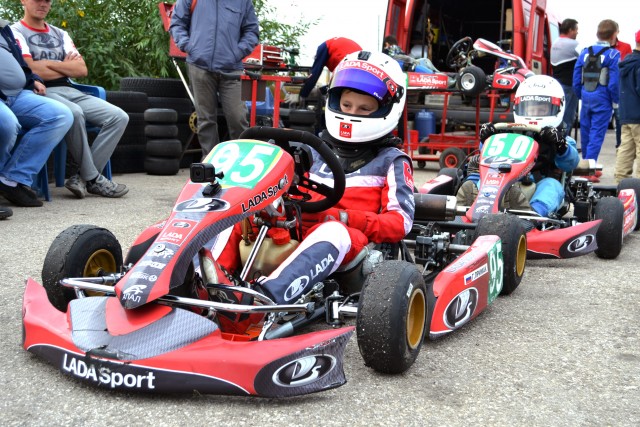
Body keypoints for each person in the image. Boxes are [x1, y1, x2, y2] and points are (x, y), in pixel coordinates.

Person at [214, 51, 415, 304]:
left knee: (333, 231)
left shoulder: (391, 161)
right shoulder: (312, 150)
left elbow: (400, 223)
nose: (352, 113)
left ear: (387, 109)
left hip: (347, 240)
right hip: (294, 228)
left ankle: (262, 300)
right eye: (346, 105)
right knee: (235, 213)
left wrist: (343, 217)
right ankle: (208, 283)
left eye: (364, 108)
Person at [12, 0, 129, 199]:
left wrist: (46, 64)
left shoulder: (60, 34)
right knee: (74, 113)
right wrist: (62, 65)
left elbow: (81, 70)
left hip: (70, 89)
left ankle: (82, 178)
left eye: (47, 0)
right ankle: (93, 179)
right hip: (40, 92)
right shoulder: (16, 31)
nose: (43, 4)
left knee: (119, 117)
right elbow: (29, 69)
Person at [458, 75, 580, 216]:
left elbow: (571, 163)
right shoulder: (507, 132)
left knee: (553, 186)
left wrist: (560, 145)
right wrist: (486, 139)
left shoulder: (562, 139)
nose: (535, 115)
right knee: (487, 179)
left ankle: (533, 214)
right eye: (530, 110)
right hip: (503, 182)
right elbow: (486, 157)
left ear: (558, 107)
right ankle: (473, 202)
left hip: (537, 185)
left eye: (541, 111)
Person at [169, 0, 259, 157]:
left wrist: (237, 52)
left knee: (238, 118)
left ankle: (242, 163)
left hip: (232, 69)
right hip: (199, 66)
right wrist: (189, 46)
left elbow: (252, 31)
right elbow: (176, 23)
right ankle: (210, 164)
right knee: (206, 120)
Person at [0, 18, 73, 210]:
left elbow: (20, 61)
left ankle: (11, 180)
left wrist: (33, 79)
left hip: (19, 94)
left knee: (61, 115)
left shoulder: (3, 29)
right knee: (7, 123)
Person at [573, 19, 620, 170]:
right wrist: (616, 101)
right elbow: (614, 83)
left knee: (585, 132)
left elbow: (576, 78)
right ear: (613, 35)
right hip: (603, 98)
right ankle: (590, 168)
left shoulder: (584, 52)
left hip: (586, 95)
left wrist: (581, 95)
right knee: (596, 134)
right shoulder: (613, 55)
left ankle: (585, 164)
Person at [613, 30, 640, 183]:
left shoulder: (627, 62)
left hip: (627, 115)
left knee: (625, 150)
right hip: (639, 116)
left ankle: (620, 183)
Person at [551, 18, 580, 131]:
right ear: (570, 30)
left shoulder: (555, 43)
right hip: (569, 85)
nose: (577, 32)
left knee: (557, 115)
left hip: (557, 84)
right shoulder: (574, 44)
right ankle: (564, 140)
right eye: (576, 29)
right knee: (567, 117)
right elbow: (586, 58)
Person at [611, 24, 633, 149]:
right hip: (603, 88)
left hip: (618, 86)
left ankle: (620, 144)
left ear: (617, 32)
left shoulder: (625, 47)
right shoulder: (601, 48)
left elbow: (628, 67)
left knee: (619, 117)